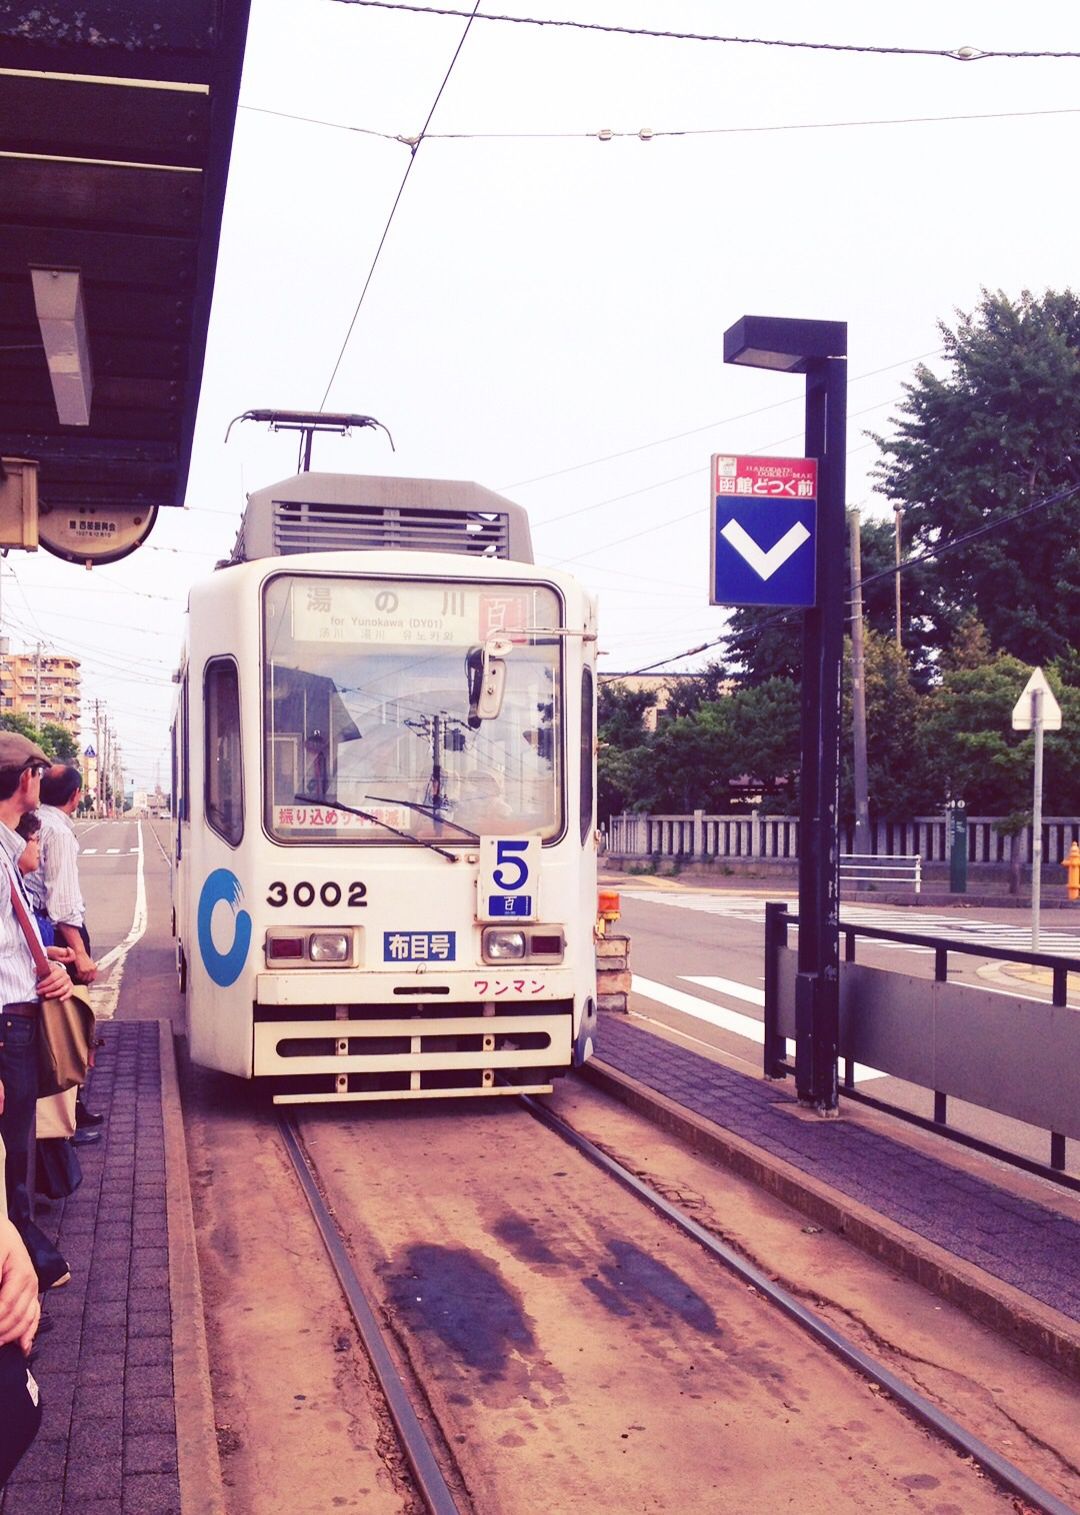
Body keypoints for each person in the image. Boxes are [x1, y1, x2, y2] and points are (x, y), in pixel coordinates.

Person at [0, 733, 76, 1291]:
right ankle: (23, 1263)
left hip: (16, 1018)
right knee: (13, 1151)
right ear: (26, 779)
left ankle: (27, 1257)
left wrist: (41, 953)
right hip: (6, 1028)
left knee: (19, 1148)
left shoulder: (7, 848)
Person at [30, 768, 102, 1138]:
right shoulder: (57, 831)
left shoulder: (35, 820)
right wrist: (80, 952)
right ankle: (66, 1116)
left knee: (55, 1025)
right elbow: (61, 900)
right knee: (68, 1026)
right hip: (59, 932)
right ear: (75, 795)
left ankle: (69, 1111)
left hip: (44, 931)